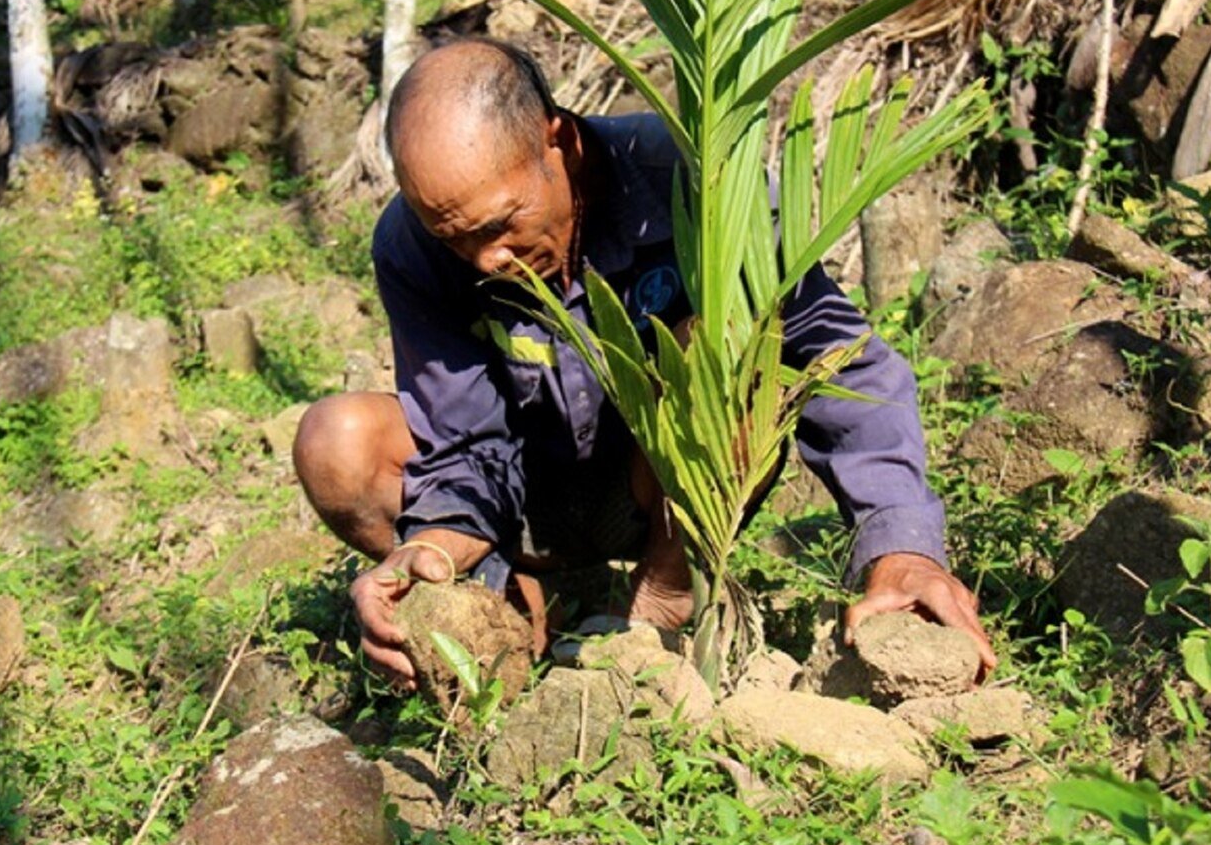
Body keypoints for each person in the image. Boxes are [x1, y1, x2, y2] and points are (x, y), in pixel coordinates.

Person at [294, 38, 996, 690]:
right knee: (338, 443)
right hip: (528, 496)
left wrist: (901, 545)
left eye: (499, 224)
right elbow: (460, 439)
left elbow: (836, 357)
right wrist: (435, 551)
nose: (484, 260)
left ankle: (664, 596)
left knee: (726, 352)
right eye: (454, 237)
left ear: (559, 141)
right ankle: (514, 606)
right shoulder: (413, 244)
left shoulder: (694, 181)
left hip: (659, 488)